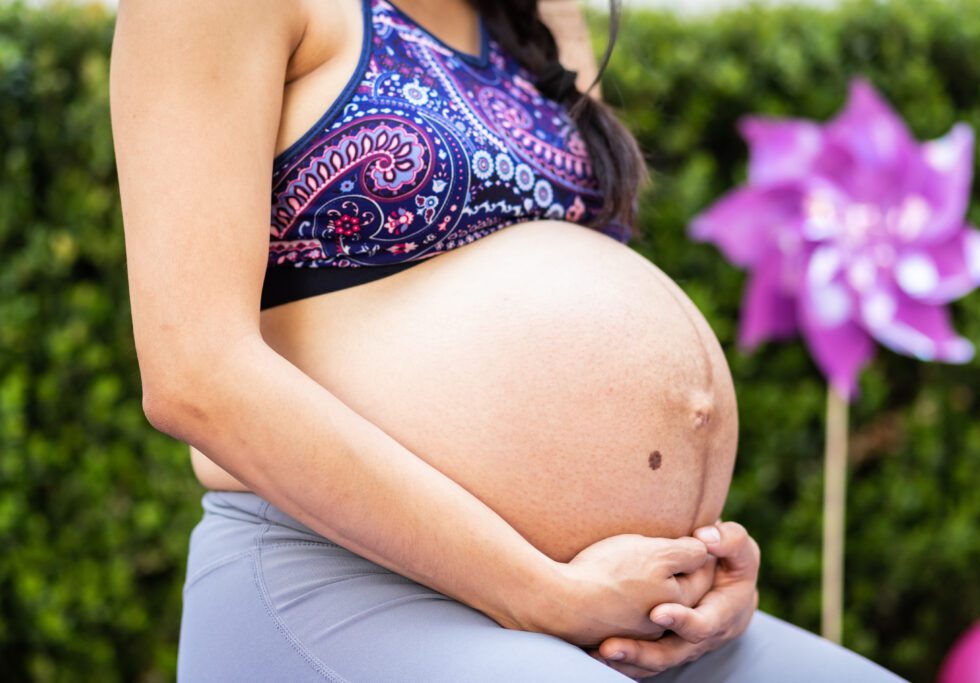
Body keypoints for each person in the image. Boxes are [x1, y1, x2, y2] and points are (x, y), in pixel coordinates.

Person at [108, 0, 906, 679]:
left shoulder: (536, 12)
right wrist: (537, 593)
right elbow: (196, 372)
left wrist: (695, 571)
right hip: (338, 577)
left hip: (603, 603)